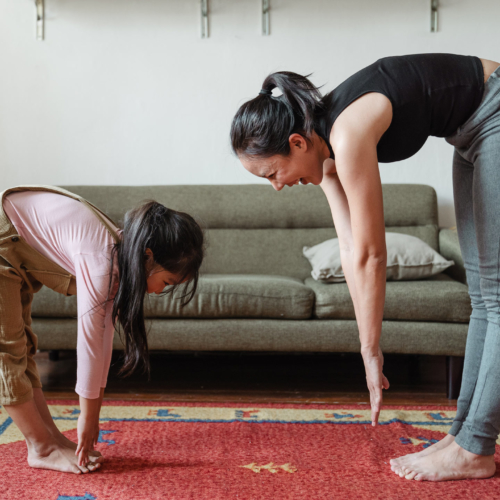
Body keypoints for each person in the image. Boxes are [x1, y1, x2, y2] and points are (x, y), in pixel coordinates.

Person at [230, 53, 500, 482]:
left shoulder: (347, 133)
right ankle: (464, 436)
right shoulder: (326, 154)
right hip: (468, 133)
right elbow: (350, 245)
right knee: (483, 295)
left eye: (272, 174)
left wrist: (373, 349)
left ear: (298, 143)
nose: (278, 187)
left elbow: (373, 254)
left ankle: (475, 448)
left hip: (494, 110)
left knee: (497, 295)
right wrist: (364, 345)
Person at [0, 185, 204, 474]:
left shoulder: (119, 257)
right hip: (3, 239)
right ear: (148, 256)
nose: (159, 292)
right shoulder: (102, 263)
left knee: (23, 346)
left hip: (14, 243)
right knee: (5, 351)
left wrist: (92, 415)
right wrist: (86, 415)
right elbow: (89, 343)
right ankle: (41, 447)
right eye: (168, 282)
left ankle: (52, 439)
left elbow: (103, 338)